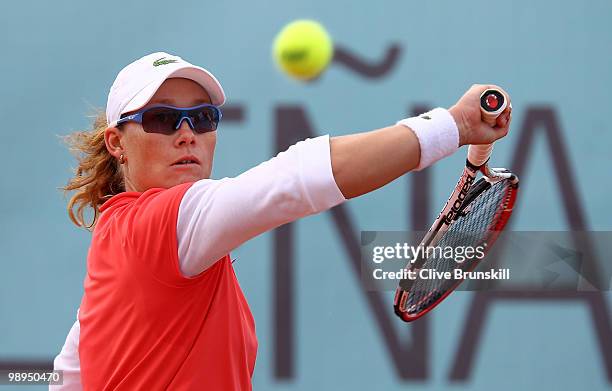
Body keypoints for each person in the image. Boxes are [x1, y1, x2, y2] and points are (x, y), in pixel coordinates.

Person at [51, 51, 511, 390]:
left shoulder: (117, 264)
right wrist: (452, 125)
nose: (187, 134)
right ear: (116, 143)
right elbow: (294, 178)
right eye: (162, 118)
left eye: (203, 118)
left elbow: (69, 376)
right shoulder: (159, 225)